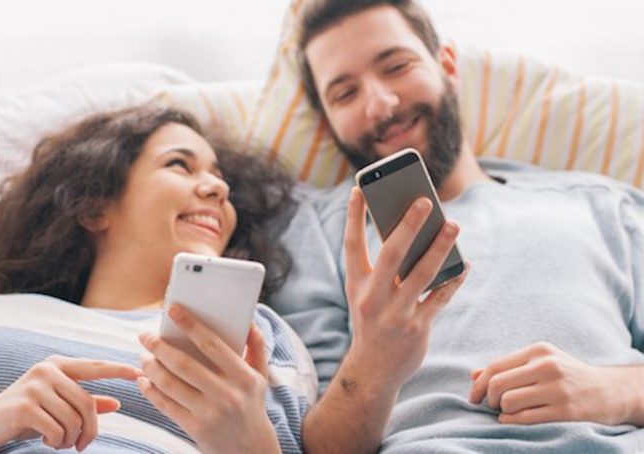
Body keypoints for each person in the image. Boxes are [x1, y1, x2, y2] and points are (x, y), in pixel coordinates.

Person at [268, 0, 644, 452]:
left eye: (396, 66)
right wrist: (371, 365)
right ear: (328, 124)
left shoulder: (602, 204)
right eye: (345, 94)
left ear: (446, 64)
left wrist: (618, 392)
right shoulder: (318, 233)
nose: (381, 105)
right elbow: (316, 446)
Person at [0, 104, 318, 453]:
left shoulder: (263, 337)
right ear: (93, 206)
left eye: (220, 179)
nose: (219, 189)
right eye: (179, 165)